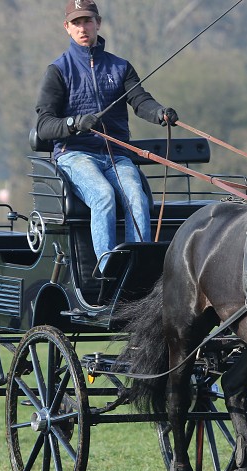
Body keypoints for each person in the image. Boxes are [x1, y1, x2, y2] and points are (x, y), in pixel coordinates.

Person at [35, 0, 178, 271]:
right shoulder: (58, 71)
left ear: (98, 23)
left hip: (116, 156)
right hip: (74, 154)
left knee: (137, 196)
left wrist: (159, 113)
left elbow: (140, 101)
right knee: (103, 195)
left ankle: (139, 273)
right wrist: (74, 123)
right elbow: (44, 125)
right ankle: (108, 273)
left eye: (87, 21)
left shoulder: (120, 67)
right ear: (67, 28)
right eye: (76, 23)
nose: (82, 27)